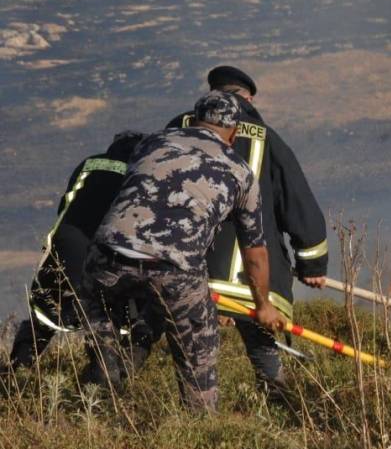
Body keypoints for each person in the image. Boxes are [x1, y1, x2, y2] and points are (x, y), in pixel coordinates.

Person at [79, 92, 283, 411]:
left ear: (194, 119)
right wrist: (263, 306)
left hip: (106, 256)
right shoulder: (240, 171)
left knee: (102, 345)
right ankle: (199, 426)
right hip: (175, 269)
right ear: (234, 132)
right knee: (197, 357)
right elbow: (255, 251)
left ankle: (96, 398)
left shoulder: (152, 143)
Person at [166, 66, 327, 398]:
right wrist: (312, 265)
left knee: (190, 346)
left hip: (188, 268)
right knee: (261, 343)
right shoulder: (269, 139)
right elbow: (298, 204)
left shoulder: (177, 128)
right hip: (253, 276)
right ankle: (277, 399)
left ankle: (192, 415)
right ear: (248, 99)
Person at [1, 131, 148, 373]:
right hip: (113, 254)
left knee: (46, 313)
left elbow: (66, 204)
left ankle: (18, 369)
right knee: (111, 317)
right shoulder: (142, 172)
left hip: (67, 245)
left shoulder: (90, 164)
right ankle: (108, 379)